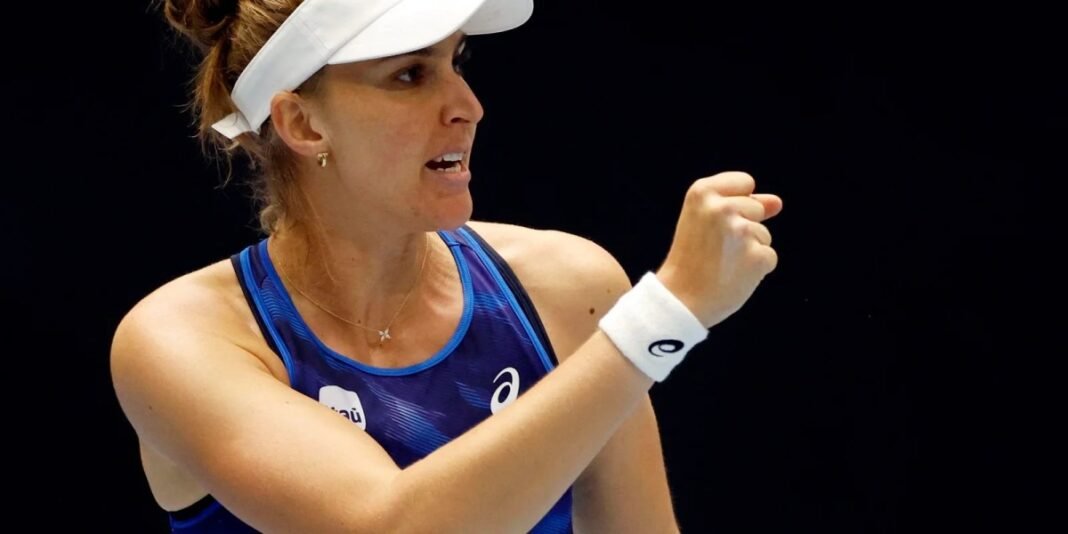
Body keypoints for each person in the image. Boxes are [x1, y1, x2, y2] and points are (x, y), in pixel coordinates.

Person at [110, 0, 784, 532]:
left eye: (457, 61)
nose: (468, 106)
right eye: (411, 74)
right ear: (304, 124)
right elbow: (387, 526)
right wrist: (661, 318)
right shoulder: (181, 341)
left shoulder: (567, 286)